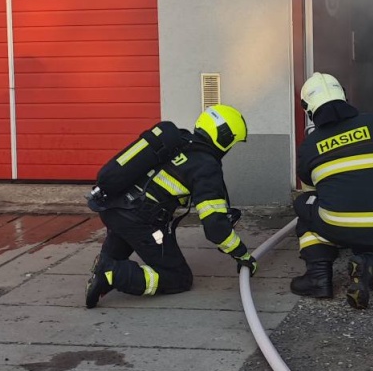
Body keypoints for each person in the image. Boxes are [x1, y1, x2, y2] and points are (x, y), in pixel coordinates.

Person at [84, 104, 257, 308]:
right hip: (140, 219)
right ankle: (111, 273)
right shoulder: (205, 166)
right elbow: (215, 226)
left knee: (120, 246)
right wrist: (241, 253)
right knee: (177, 277)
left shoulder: (179, 141)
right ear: (225, 138)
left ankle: (104, 268)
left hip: (115, 207)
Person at [290, 72, 373, 310]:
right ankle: (369, 266)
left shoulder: (309, 146)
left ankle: (318, 277)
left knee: (304, 205)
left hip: (337, 226)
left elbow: (311, 187)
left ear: (308, 108)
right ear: (344, 97)